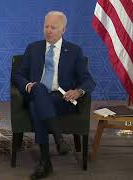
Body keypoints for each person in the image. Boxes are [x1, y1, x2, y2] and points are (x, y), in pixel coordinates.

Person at [12, 11, 95, 179]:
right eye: (46, 26)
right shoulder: (33, 48)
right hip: (36, 92)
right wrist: (28, 85)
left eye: (53, 27)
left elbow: (88, 81)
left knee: (37, 105)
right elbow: (18, 75)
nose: (48, 31)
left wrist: (78, 91)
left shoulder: (74, 51)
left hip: (61, 99)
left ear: (63, 30)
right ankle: (59, 139)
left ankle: (45, 162)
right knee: (39, 90)